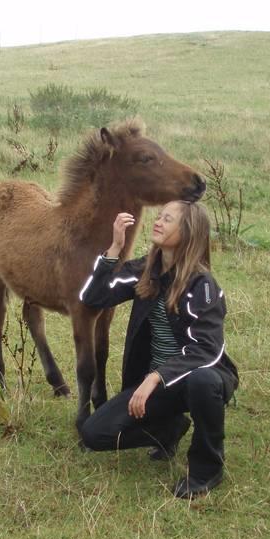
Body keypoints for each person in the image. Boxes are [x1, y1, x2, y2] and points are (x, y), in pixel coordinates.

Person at [79, 200, 238, 498]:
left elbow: (207, 349)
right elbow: (92, 297)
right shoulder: (145, 271)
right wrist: (113, 249)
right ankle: (169, 429)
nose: (158, 221)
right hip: (158, 386)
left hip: (200, 378)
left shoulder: (202, 285)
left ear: (189, 233)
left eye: (168, 219)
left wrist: (155, 377)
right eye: (160, 215)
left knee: (202, 381)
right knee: (93, 433)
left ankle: (207, 469)